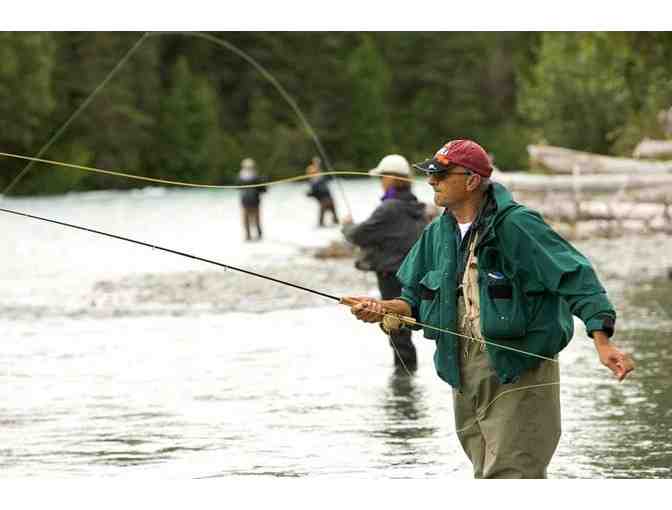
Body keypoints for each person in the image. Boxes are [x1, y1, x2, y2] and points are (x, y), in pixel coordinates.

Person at [345, 139, 634, 478]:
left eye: (441, 175)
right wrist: (382, 309)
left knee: (513, 475)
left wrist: (602, 341)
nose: (432, 181)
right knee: (484, 474)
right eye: (430, 174)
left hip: (519, 368)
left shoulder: (519, 225)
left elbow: (576, 278)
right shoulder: (436, 233)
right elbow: (412, 301)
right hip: (462, 371)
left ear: (471, 180)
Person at [341, 154, 427, 370]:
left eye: (382, 177)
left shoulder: (389, 207)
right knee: (403, 326)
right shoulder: (415, 205)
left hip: (390, 274)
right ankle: (407, 377)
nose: (381, 182)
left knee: (394, 327)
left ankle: (403, 376)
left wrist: (347, 226)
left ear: (391, 178)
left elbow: (358, 235)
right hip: (411, 274)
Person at [237, 158, 266, 241]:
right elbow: (263, 189)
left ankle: (251, 235)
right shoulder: (255, 176)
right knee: (253, 218)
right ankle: (253, 235)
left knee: (252, 218)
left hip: (249, 200)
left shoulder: (241, 177)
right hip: (250, 200)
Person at [306, 156, 339, 227]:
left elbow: (327, 180)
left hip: (327, 197)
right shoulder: (312, 180)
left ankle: (335, 221)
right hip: (322, 199)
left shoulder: (322, 177)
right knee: (325, 207)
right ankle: (322, 224)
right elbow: (314, 191)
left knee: (331, 207)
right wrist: (310, 193)